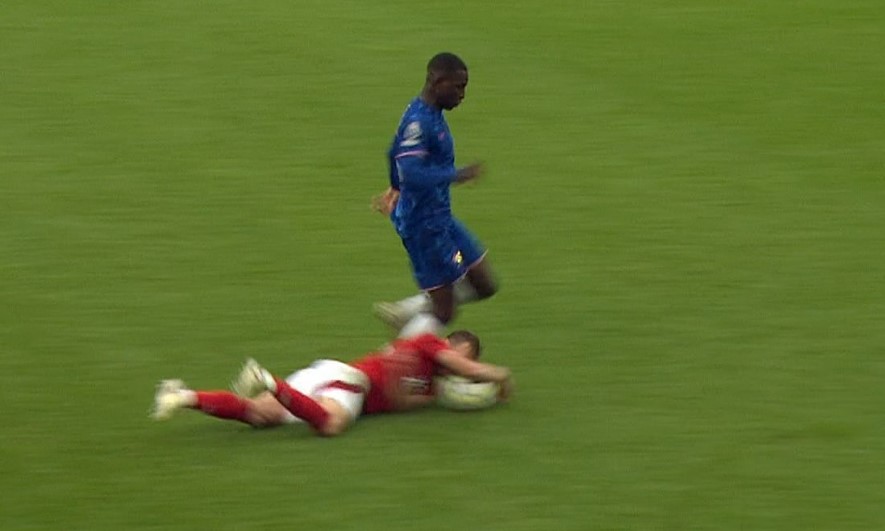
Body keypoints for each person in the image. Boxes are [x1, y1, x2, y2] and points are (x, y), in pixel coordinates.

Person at [150, 331, 512, 437]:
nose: (465, 365)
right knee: (332, 424)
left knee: (260, 416)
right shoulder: (429, 343)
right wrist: (499, 376)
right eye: (466, 355)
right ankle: (269, 381)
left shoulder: (432, 388)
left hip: (328, 374)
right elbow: (459, 365)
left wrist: (472, 395)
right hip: (352, 383)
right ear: (455, 346)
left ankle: (181, 395)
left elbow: (402, 402)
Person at [371, 52, 498, 338]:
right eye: (458, 87)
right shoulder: (420, 122)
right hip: (424, 228)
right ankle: (395, 360)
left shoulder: (427, 114)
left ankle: (412, 309)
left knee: (484, 283)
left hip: (442, 218)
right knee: (445, 311)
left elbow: (393, 152)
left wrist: (395, 186)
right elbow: (413, 171)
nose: (462, 95)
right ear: (436, 81)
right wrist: (457, 175)